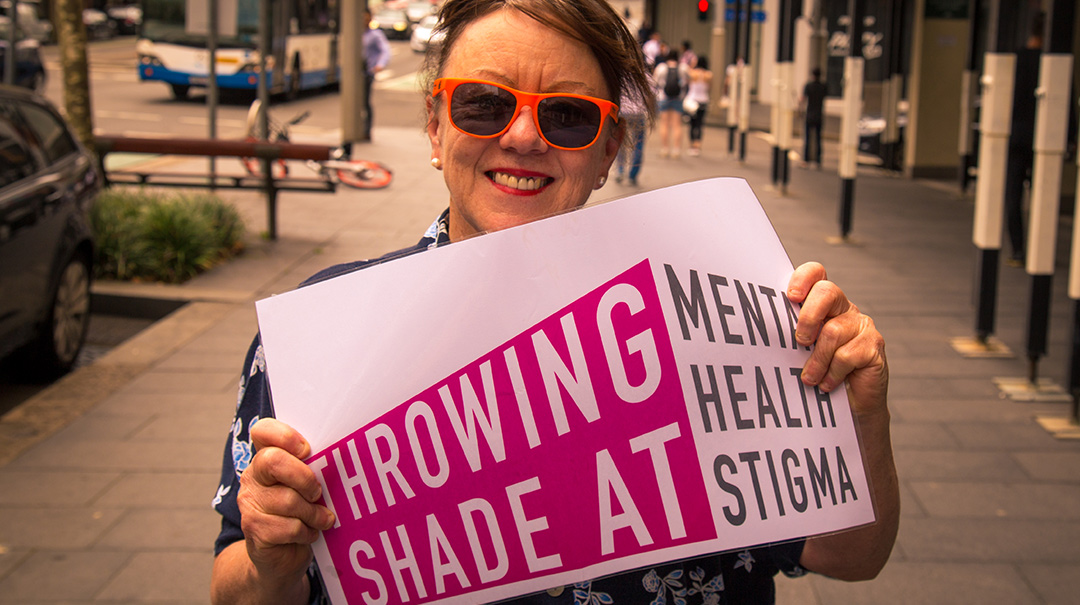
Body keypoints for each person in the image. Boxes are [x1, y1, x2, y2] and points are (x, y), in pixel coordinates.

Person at [209, 1, 899, 603]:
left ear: (607, 152)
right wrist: (273, 564)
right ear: (435, 126)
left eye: (568, 115)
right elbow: (235, 582)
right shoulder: (322, 336)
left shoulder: (723, 323)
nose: (523, 137)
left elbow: (851, 555)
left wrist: (862, 416)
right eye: (484, 101)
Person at [1004, 13, 1044, 266]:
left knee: (1014, 195)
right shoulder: (1053, 62)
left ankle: (1018, 249)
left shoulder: (1017, 59)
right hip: (1041, 137)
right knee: (1042, 195)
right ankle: (1040, 248)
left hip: (1016, 135)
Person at [362, 8, 392, 139]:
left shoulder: (375, 35)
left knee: (365, 102)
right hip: (353, 74)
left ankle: (366, 131)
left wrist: (379, 65)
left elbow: (385, 50)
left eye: (367, 17)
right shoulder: (353, 33)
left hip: (367, 73)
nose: (365, 20)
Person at [655, 49, 689, 158]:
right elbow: (687, 82)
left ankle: (665, 149)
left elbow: (655, 81)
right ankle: (676, 150)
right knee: (677, 124)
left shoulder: (661, 67)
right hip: (678, 98)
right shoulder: (683, 68)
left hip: (663, 98)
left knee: (664, 123)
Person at [800, 67, 827, 169]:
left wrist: (800, 110)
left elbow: (803, 99)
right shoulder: (823, 86)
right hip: (819, 115)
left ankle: (806, 160)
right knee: (818, 138)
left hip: (809, 114)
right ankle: (818, 161)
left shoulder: (808, 86)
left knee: (807, 138)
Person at [685, 55, 712, 156]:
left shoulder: (692, 73)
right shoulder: (709, 74)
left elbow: (687, 83)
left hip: (692, 100)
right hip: (703, 100)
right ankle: (698, 145)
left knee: (692, 124)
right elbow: (709, 87)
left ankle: (692, 145)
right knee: (700, 124)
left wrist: (692, 65)